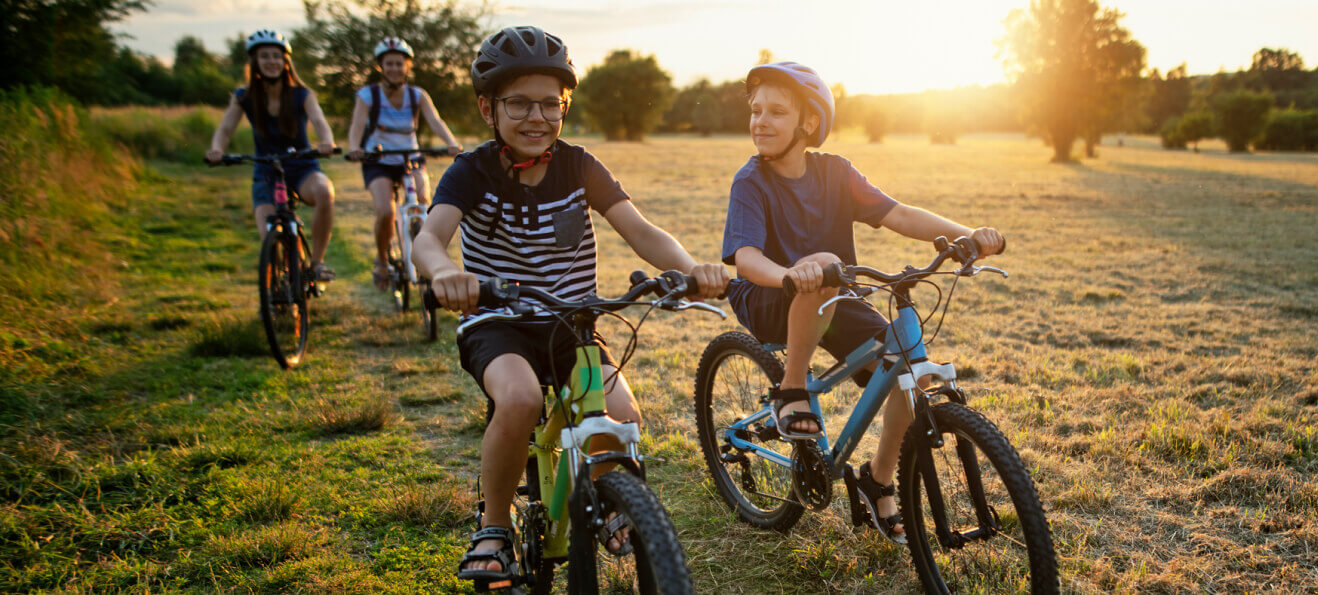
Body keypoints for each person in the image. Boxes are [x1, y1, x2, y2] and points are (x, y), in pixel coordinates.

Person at [412, 25, 729, 582]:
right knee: (518, 399)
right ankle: (494, 526)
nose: (537, 118)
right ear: (488, 107)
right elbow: (428, 239)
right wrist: (445, 274)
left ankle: (612, 503)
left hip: (573, 322)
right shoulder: (471, 170)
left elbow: (642, 231)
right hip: (499, 322)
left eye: (550, 104)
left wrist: (690, 269)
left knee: (625, 417)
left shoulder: (580, 165)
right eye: (519, 104)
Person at [721, 62, 1004, 545]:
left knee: (910, 372)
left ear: (808, 123)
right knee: (825, 269)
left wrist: (968, 236)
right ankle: (791, 390)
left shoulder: (836, 172)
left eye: (776, 112)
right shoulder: (751, 181)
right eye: (755, 111)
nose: (760, 121)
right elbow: (745, 257)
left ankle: (877, 479)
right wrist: (789, 275)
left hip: (834, 295)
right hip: (770, 295)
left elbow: (899, 213)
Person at [206, 29, 339, 282]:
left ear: (286, 61)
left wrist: (326, 142)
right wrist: (217, 150)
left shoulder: (303, 94)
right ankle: (273, 293)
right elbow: (225, 129)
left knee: (324, 191)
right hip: (266, 171)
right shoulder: (243, 97)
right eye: (264, 56)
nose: (271, 62)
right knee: (270, 235)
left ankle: (317, 263)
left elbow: (320, 121)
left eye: (277, 56)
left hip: (302, 167)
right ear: (255, 62)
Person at [346, 37, 463, 290]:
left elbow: (435, 121)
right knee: (386, 211)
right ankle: (381, 260)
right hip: (379, 160)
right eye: (389, 64)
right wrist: (355, 148)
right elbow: (356, 126)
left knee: (424, 202)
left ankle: (425, 254)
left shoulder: (417, 95)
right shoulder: (368, 95)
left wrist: (451, 142)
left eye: (399, 64)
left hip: (410, 157)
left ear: (407, 66)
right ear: (381, 67)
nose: (395, 68)